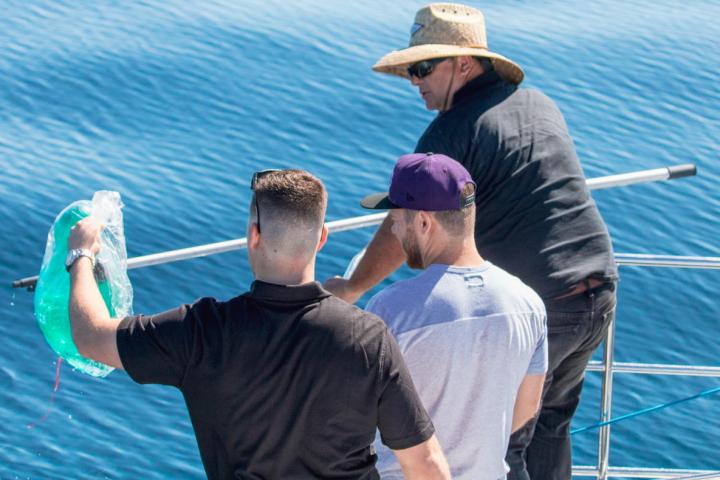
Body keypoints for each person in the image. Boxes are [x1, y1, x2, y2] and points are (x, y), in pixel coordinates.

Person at [324, 4, 618, 479]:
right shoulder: (538, 103)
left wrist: (354, 287)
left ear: (463, 64)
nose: (414, 80)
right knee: (552, 425)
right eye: (409, 71)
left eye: (422, 67)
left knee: (507, 441)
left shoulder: (453, 131)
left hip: (543, 304)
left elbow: (407, 221)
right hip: (598, 288)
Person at [66, 169, 451, 480]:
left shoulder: (201, 332)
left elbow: (90, 336)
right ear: (321, 238)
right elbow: (427, 466)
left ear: (253, 235)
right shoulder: (369, 338)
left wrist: (80, 254)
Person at [360, 152, 547, 480]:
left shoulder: (390, 309)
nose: (394, 228)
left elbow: (357, 415)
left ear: (422, 222)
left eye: (395, 219)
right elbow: (526, 408)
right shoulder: (528, 304)